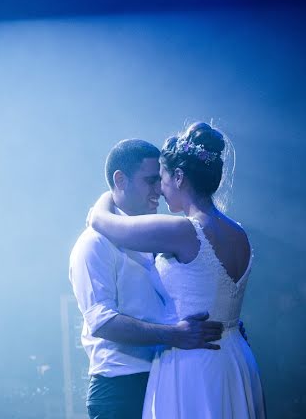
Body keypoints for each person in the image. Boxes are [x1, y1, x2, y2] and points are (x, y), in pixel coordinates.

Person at [88, 123, 264, 418]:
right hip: (235, 356)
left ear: (179, 177)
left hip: (194, 360)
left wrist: (104, 199)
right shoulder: (238, 232)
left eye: (163, 178)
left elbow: (103, 222)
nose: (160, 188)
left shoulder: (182, 230)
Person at [69, 138, 225, 419]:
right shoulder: (94, 243)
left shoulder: (156, 233)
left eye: (160, 180)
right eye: (151, 181)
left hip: (168, 374)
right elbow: (101, 322)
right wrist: (173, 334)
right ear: (120, 180)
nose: (160, 191)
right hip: (122, 386)